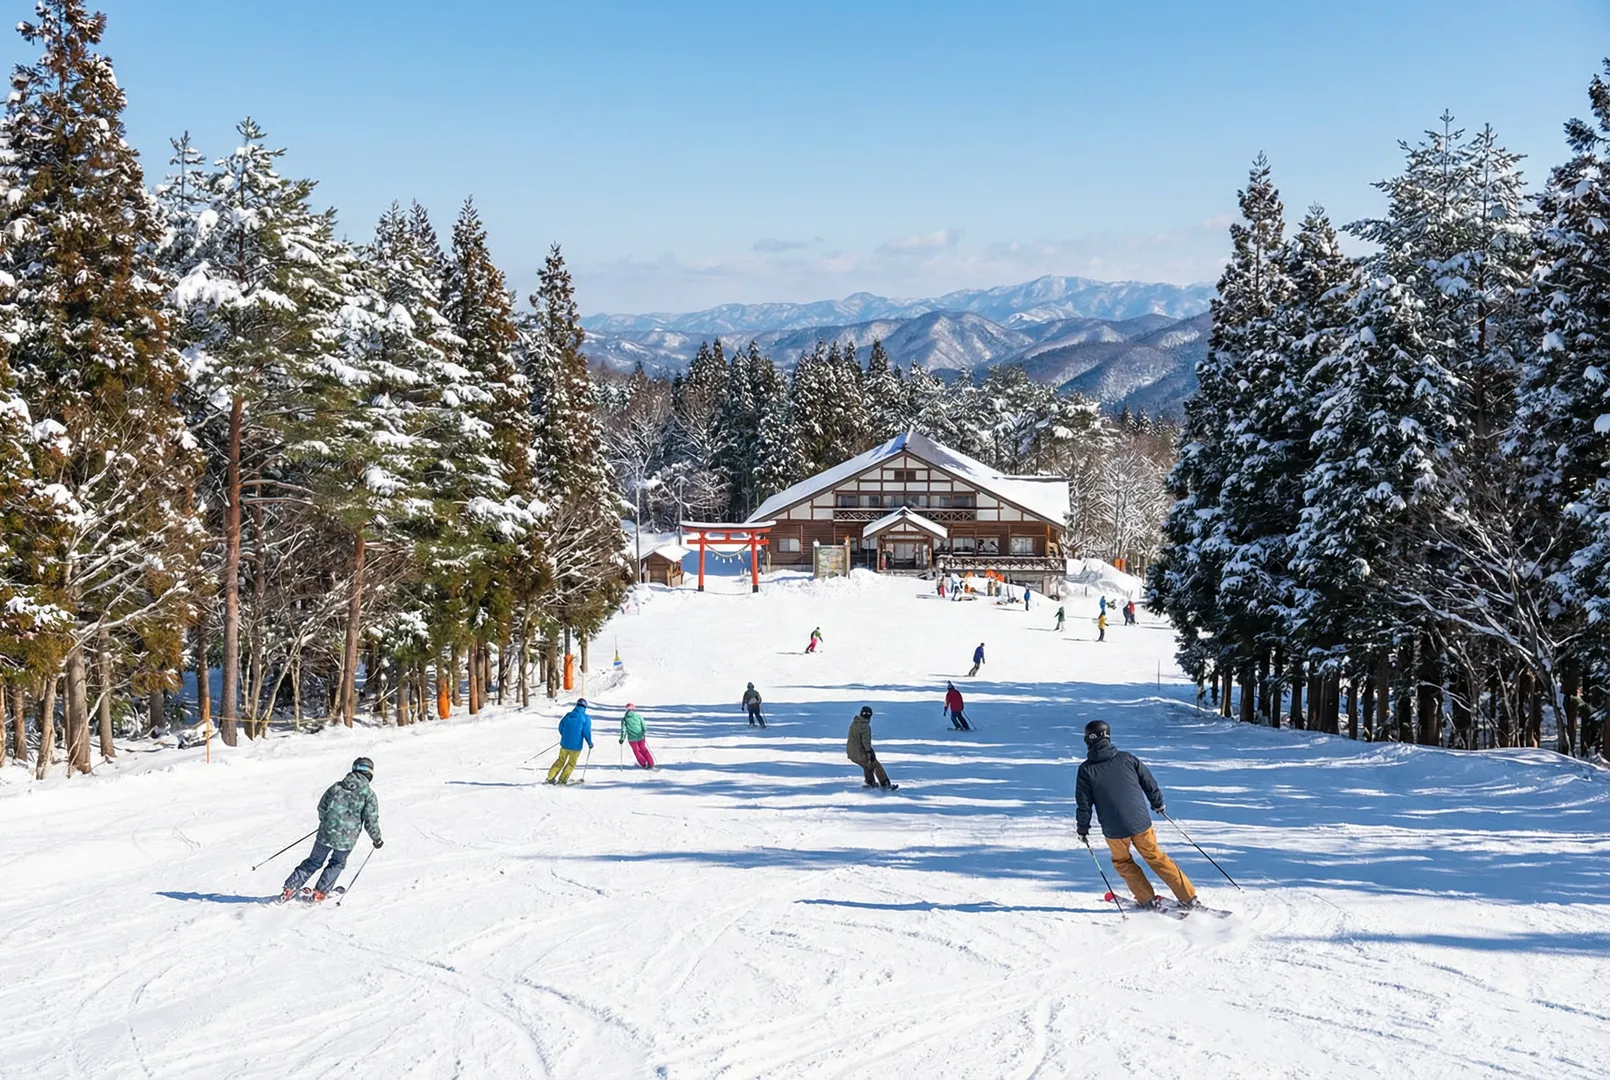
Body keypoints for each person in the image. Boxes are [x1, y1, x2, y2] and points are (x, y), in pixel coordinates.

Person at [1075, 720, 1197, 911]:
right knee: (1156, 857)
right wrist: (1157, 803)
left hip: (1114, 830)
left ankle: (1147, 899)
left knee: (1123, 862)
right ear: (1108, 737)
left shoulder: (1086, 770)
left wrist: (1083, 828)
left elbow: (1084, 804)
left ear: (1087, 741)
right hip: (1141, 822)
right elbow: (1149, 782)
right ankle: (1189, 897)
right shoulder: (1127, 759)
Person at [281, 757, 382, 902]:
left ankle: (290, 888)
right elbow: (370, 820)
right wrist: (377, 839)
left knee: (313, 861)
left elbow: (322, 806)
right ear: (370, 774)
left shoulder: (337, 787)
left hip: (326, 834)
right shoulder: (368, 795)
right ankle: (320, 892)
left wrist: (326, 822)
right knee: (337, 863)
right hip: (347, 840)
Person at [846, 705, 896, 789]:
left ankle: (870, 783)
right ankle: (885, 784)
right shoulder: (865, 727)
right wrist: (870, 752)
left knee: (867, 766)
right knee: (875, 765)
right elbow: (866, 741)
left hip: (851, 752)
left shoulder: (855, 723)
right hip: (859, 752)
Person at [547, 698, 594, 784]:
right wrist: (590, 743)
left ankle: (550, 777)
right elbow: (586, 732)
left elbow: (561, 727)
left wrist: (565, 736)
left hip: (564, 744)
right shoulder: (585, 718)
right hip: (576, 747)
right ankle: (562, 780)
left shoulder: (568, 715)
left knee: (560, 760)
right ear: (585, 707)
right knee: (571, 763)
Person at [620, 704, 654, 768]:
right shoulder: (638, 716)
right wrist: (643, 732)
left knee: (636, 751)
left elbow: (623, 730)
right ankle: (650, 762)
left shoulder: (624, 719)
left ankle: (643, 763)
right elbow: (644, 725)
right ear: (633, 709)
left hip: (632, 739)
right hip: (640, 737)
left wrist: (622, 739)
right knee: (643, 749)